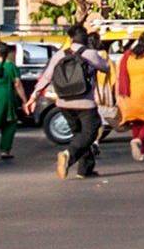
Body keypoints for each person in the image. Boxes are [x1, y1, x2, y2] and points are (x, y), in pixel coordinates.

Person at [30, 26, 108, 179]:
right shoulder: (90, 54)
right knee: (91, 131)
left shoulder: (59, 55)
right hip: (85, 102)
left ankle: (84, 170)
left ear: (71, 38)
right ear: (86, 38)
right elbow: (105, 68)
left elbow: (46, 77)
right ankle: (68, 155)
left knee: (79, 134)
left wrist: (34, 96)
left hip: (64, 103)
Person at [111, 33, 144, 162]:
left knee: (137, 122)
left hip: (130, 95)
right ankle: (138, 140)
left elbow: (120, 75)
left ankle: (141, 153)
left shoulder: (127, 56)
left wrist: (119, 96)